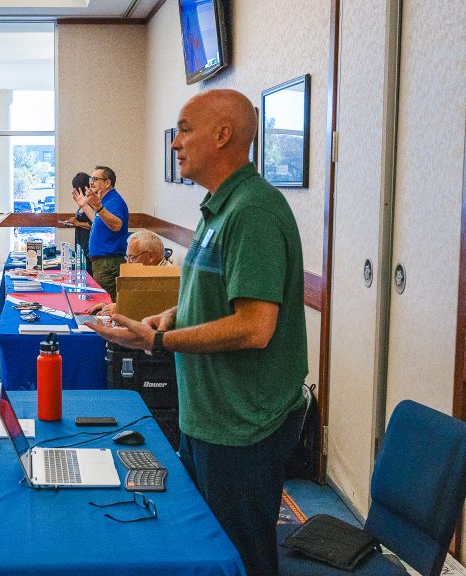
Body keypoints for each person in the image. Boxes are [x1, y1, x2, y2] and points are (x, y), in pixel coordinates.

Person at [85, 89, 306, 576]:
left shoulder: (254, 211)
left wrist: (158, 342)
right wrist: (166, 317)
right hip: (206, 416)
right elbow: (209, 299)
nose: (174, 143)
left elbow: (254, 327)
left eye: (185, 130)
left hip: (243, 426)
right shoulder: (216, 209)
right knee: (205, 549)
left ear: (223, 134)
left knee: (240, 558)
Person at [71, 165, 128, 297]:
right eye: (92, 178)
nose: (91, 182)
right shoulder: (104, 201)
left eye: (96, 179)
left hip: (108, 262)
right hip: (101, 262)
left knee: (105, 303)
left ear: (107, 183)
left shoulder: (114, 201)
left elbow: (116, 225)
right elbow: (98, 222)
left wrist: (98, 206)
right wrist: (84, 205)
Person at [87, 231, 172, 316]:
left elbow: (156, 313)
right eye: (127, 257)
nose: (128, 264)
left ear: (150, 256)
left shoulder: (169, 278)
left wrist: (121, 310)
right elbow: (140, 304)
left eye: (132, 258)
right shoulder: (147, 272)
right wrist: (108, 307)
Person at [61, 171, 93, 274]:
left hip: (89, 241)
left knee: (88, 270)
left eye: (75, 187)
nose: (74, 190)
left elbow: (94, 225)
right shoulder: (82, 201)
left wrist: (78, 223)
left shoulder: (92, 202)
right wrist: (74, 222)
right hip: (80, 241)